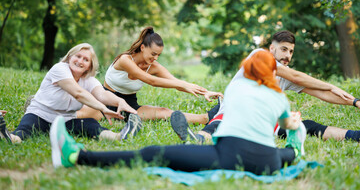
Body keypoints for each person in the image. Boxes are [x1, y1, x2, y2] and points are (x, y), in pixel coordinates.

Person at [50, 50, 307, 175]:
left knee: (153, 153)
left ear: (246, 69)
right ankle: (294, 150)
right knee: (281, 152)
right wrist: (293, 123)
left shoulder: (236, 86)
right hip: (268, 163)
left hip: (229, 155)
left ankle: (78, 157)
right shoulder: (279, 96)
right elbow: (284, 121)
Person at [172, 30, 360, 143]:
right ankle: (196, 139)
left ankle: (354, 136)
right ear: (272, 48)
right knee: (219, 122)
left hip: (261, 121)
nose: (288, 55)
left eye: (291, 51)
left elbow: (321, 93)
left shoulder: (284, 76)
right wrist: (331, 85)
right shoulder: (259, 55)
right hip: (233, 111)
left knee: (307, 126)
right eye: (284, 49)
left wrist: (354, 101)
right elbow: (296, 75)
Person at [77, 26, 223, 124]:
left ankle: (207, 118)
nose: (155, 58)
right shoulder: (125, 60)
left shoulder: (154, 67)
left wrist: (205, 91)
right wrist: (183, 84)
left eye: (158, 55)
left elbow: (176, 83)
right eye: (153, 54)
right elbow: (150, 81)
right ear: (142, 47)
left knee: (164, 112)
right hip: (105, 100)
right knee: (81, 116)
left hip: (130, 105)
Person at [0, 43, 141, 144]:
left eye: (86, 60)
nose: (80, 61)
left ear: (90, 66)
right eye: (78, 56)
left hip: (65, 120)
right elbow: (78, 93)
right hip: (40, 114)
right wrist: (103, 109)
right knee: (23, 132)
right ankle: (7, 136)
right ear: (69, 57)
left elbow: (102, 94)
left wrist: (120, 102)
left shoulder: (88, 80)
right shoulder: (60, 69)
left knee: (91, 124)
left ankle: (119, 136)